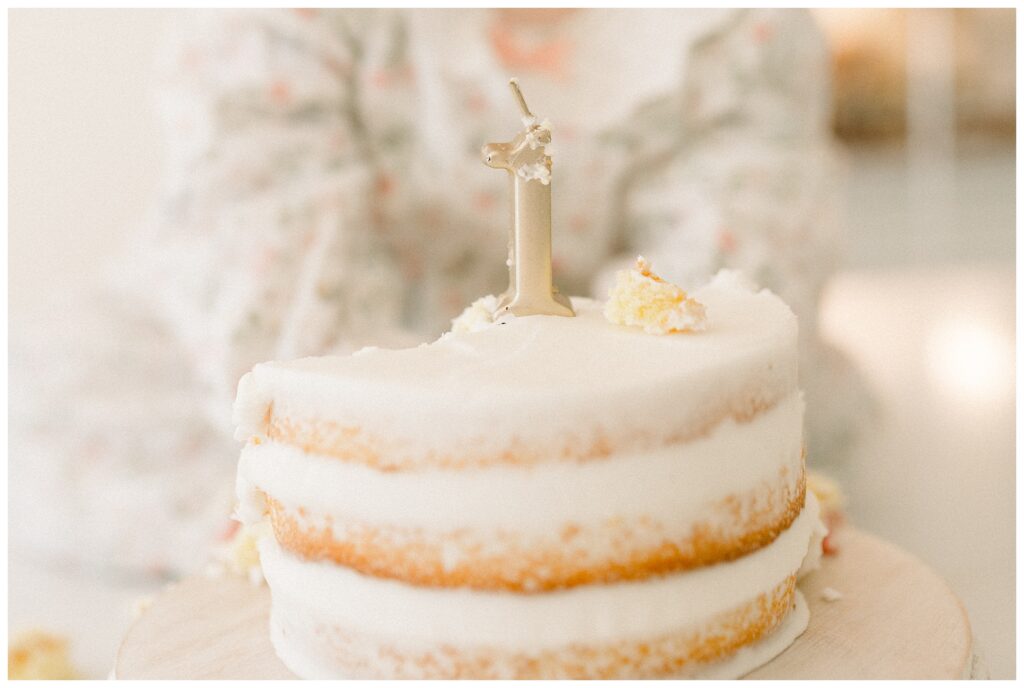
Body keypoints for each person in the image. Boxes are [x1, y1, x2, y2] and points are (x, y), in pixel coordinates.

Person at [10, 8, 868, 576]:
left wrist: (581, 474)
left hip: (588, 390)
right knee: (61, 407)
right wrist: (416, 487)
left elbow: (708, 302)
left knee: (730, 431)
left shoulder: (736, 30)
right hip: (271, 352)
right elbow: (273, 309)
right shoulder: (280, 24)